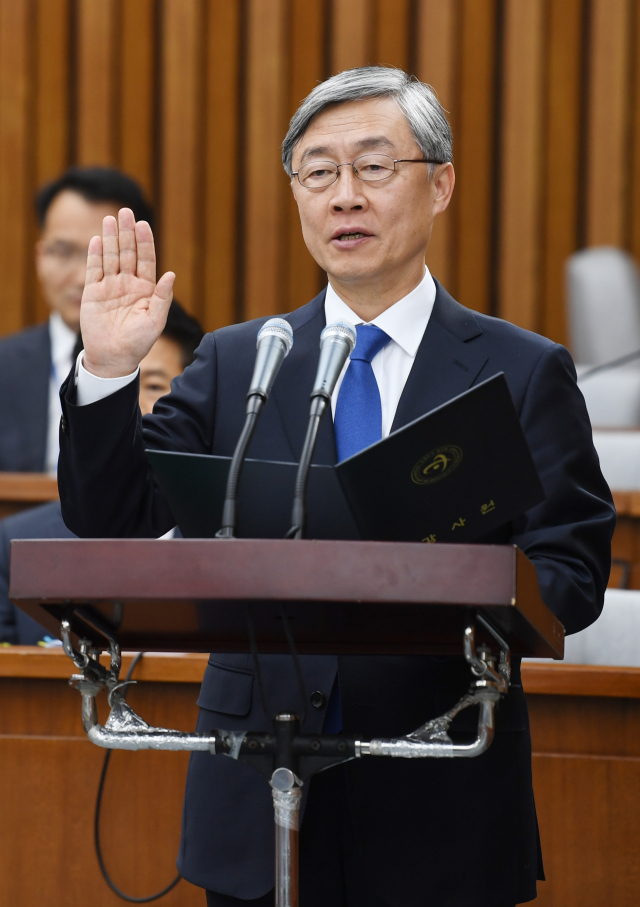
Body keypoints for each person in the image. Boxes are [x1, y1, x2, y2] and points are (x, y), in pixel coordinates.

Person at [57, 67, 615, 907]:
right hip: (252, 786)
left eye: (374, 166)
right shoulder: (240, 360)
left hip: (440, 788)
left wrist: (458, 586)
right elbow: (112, 516)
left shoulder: (520, 370)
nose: (344, 196)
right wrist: (105, 367)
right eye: (318, 172)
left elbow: (571, 571)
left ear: (441, 183)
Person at [0, 301, 203, 645]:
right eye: (115, 388)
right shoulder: (18, 544)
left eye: (152, 386)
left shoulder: (223, 542)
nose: (131, 409)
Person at [0, 167, 153, 474]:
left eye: (103, 253)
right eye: (63, 251)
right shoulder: (5, 365)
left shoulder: (173, 364)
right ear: (39, 257)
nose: (84, 277)